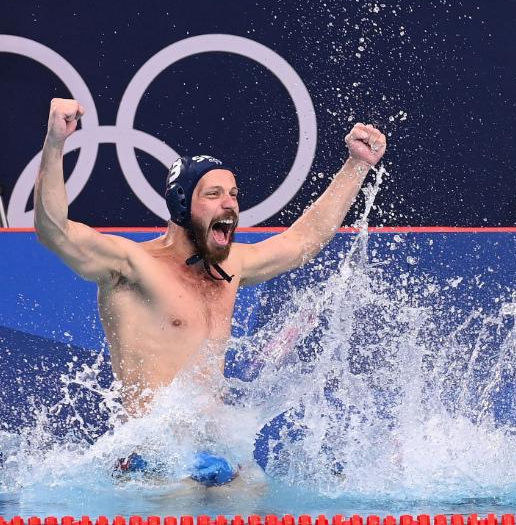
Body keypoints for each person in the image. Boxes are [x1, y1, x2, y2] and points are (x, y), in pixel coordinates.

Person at [33, 97, 387, 485]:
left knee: (254, 489)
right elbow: (55, 231)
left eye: (233, 194)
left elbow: (304, 240)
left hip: (219, 453)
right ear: (182, 204)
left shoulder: (231, 267)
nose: (230, 204)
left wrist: (357, 166)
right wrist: (55, 143)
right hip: (156, 461)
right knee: (179, 496)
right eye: (214, 194)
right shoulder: (131, 266)